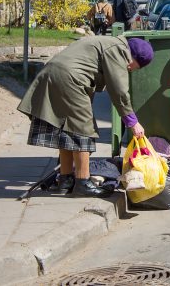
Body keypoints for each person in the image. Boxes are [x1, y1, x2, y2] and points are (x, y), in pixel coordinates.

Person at [17, 36, 154, 197]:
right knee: (83, 129)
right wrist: (133, 122)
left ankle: (65, 180)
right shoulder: (119, 51)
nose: (130, 69)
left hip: (54, 74)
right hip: (70, 79)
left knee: (68, 129)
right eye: (133, 67)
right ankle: (83, 182)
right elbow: (119, 92)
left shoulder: (108, 42)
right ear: (133, 57)